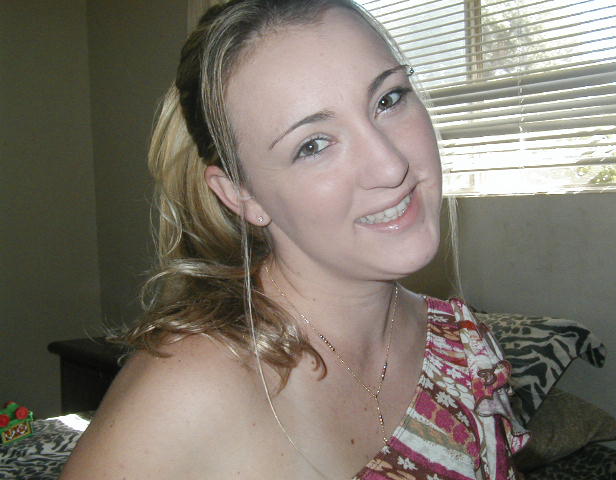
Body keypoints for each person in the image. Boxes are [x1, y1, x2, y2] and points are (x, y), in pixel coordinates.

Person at [61, 1, 529, 478]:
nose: (391, 166)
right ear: (240, 194)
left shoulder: (465, 347)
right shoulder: (186, 392)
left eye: (388, 100)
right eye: (313, 145)